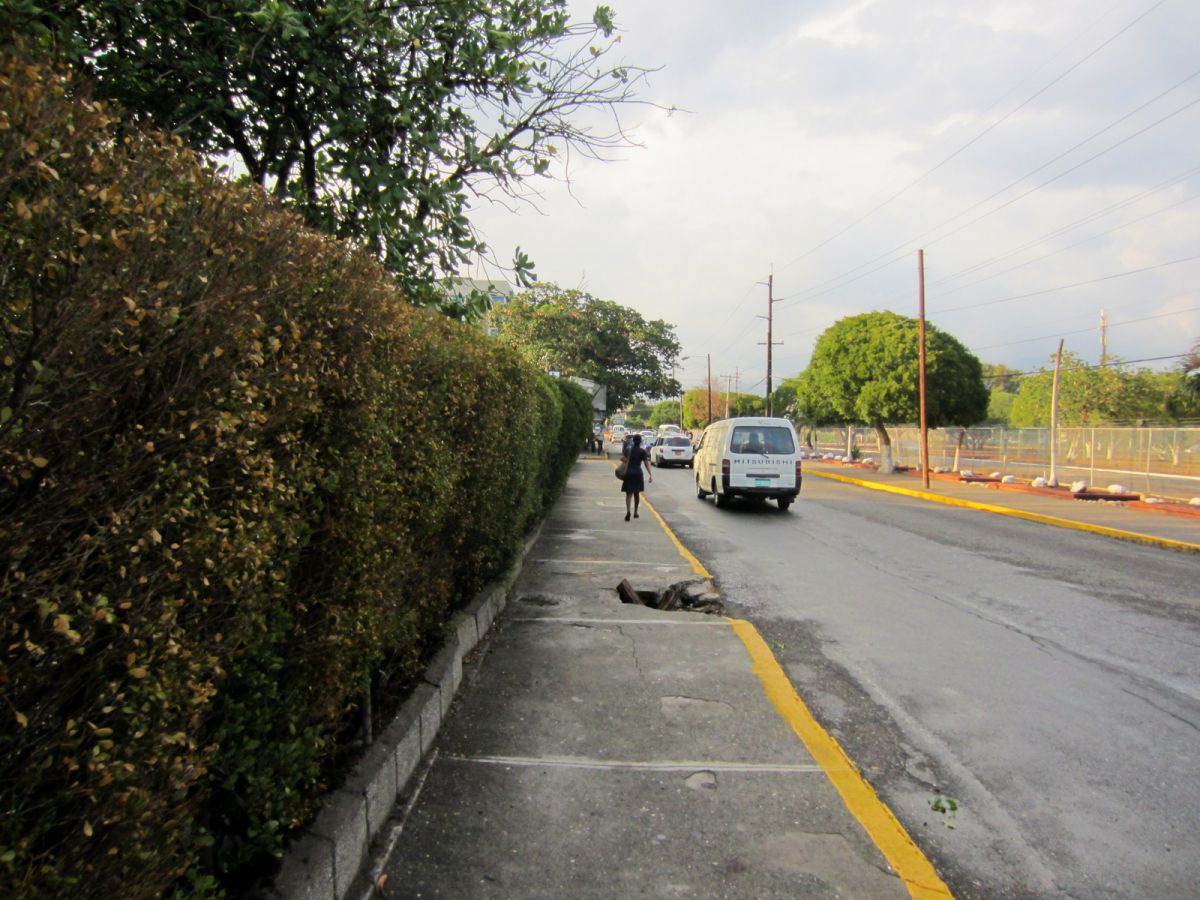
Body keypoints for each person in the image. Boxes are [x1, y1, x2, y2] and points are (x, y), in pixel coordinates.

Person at [619, 433, 652, 521]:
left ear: (633, 441)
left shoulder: (628, 450)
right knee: (637, 494)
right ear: (640, 442)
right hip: (638, 473)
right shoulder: (642, 451)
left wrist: (627, 461)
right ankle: (636, 512)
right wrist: (650, 474)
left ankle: (628, 511)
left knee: (629, 494)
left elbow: (621, 458)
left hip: (629, 473)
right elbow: (646, 464)